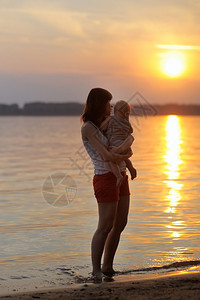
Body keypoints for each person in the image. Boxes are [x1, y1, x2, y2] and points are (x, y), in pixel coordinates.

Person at [81, 88, 136, 282]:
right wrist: (126, 155)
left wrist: (126, 161)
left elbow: (121, 139)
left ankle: (108, 266)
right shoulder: (88, 127)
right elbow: (106, 155)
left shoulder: (106, 125)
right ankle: (96, 271)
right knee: (104, 226)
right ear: (99, 104)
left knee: (120, 224)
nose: (111, 107)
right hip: (105, 177)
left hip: (120, 175)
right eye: (108, 103)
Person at [100, 100, 137, 186]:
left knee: (111, 160)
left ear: (115, 111)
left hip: (114, 145)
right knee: (125, 159)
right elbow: (131, 131)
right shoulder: (127, 123)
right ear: (127, 113)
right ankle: (131, 168)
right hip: (125, 146)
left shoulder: (111, 119)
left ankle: (118, 176)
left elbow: (102, 127)